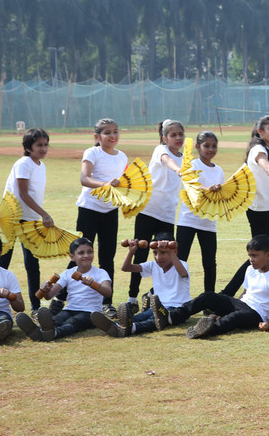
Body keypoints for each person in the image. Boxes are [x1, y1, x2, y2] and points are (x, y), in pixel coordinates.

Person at [223, 115, 269, 297]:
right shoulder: (258, 149)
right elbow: (266, 167)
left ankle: (260, 294)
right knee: (258, 256)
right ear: (260, 131)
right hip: (259, 210)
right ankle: (230, 293)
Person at [127, 119, 184, 306]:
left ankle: (155, 295)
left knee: (166, 257)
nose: (177, 138)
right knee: (141, 254)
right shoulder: (161, 150)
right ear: (164, 138)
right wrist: (178, 169)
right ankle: (132, 298)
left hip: (167, 215)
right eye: (173, 135)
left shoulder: (185, 157)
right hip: (148, 211)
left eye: (180, 134)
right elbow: (167, 161)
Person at [185, 235, 269, 338]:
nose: (251, 259)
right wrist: (231, 306)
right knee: (209, 296)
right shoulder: (250, 269)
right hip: (243, 304)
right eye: (249, 255)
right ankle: (174, 316)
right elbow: (245, 293)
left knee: (235, 317)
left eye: (255, 256)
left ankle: (205, 330)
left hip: (257, 313)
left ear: (268, 255)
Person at [16, 237, 112, 342]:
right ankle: (37, 330)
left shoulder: (100, 273)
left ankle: (55, 333)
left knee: (72, 322)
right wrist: (45, 289)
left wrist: (93, 284)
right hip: (70, 309)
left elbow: (108, 292)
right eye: (81, 253)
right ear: (72, 257)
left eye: (90, 252)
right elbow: (49, 296)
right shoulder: (68, 273)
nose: (86, 255)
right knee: (56, 320)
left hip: (91, 313)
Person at [91, 237, 191, 337]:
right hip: (157, 307)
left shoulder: (182, 264)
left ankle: (131, 328)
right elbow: (126, 268)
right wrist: (131, 251)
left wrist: (170, 250)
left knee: (153, 321)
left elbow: (183, 274)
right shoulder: (153, 265)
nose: (158, 257)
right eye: (155, 253)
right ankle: (117, 326)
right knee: (141, 316)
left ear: (175, 252)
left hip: (176, 308)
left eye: (163, 253)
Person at [0, 129, 53, 310]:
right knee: (3, 261)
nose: (43, 148)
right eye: (39, 145)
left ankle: (35, 307)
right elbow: (23, 193)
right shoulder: (24, 163)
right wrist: (44, 214)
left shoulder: (41, 166)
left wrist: (39, 214)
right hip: (13, 217)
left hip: (30, 218)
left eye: (46, 144)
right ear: (28, 147)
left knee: (32, 263)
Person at [75, 118, 127, 306]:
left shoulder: (122, 157)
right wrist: (106, 184)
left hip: (110, 212)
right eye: (107, 133)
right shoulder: (92, 152)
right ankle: (62, 299)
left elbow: (123, 184)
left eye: (115, 131)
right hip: (89, 209)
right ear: (97, 136)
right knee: (79, 255)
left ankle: (107, 303)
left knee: (107, 258)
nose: (112, 136)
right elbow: (84, 178)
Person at [175, 131, 225, 293]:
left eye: (214, 146)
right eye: (206, 146)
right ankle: (175, 297)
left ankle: (209, 298)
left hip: (208, 223)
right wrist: (208, 189)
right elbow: (191, 186)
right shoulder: (192, 165)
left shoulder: (219, 171)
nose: (211, 149)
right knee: (180, 260)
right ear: (197, 147)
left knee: (210, 263)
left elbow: (221, 196)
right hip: (188, 220)